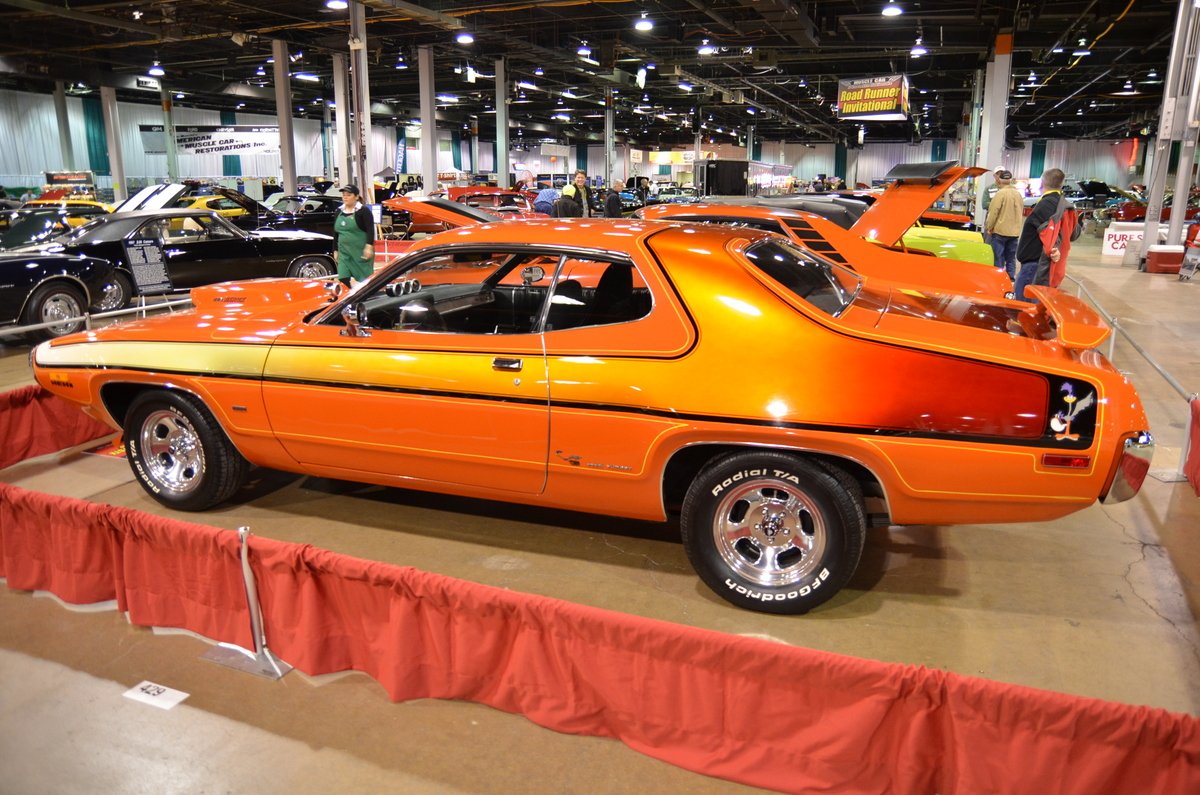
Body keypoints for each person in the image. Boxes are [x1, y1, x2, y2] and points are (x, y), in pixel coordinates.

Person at [1014, 168, 1080, 301]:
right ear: (1061, 184)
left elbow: (1049, 233)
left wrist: (1053, 248)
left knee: (1024, 308)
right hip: (1046, 267)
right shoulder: (1065, 205)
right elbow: (1074, 233)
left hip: (1036, 266)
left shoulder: (1045, 205)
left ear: (1042, 183)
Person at [332, 184, 375, 288]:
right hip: (344, 254)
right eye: (343, 195)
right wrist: (335, 249)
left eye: (348, 195)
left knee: (366, 282)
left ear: (356, 197)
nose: (345, 197)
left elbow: (370, 230)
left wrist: (369, 246)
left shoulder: (364, 211)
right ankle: (350, 299)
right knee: (343, 279)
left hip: (360, 253)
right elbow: (336, 233)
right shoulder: (339, 211)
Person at [985, 169, 1023, 280]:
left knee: (998, 257)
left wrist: (989, 227)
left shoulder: (1000, 194)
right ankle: (1011, 278)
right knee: (1011, 258)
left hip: (1000, 232)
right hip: (1014, 233)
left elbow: (993, 213)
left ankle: (999, 279)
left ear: (999, 181)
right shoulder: (1018, 194)